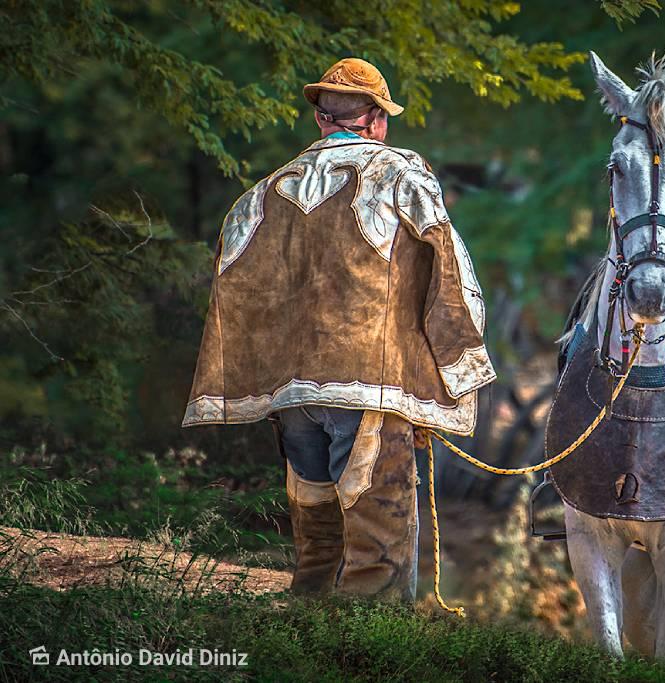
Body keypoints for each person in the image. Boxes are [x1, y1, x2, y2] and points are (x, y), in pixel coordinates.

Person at [181, 57, 496, 600]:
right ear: (374, 118)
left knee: (318, 539)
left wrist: (263, 377)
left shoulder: (261, 194)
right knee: (379, 546)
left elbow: (232, 288)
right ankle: (371, 656)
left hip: (292, 398)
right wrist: (456, 373)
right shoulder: (399, 174)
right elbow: (451, 273)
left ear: (320, 119)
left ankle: (306, 645)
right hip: (368, 388)